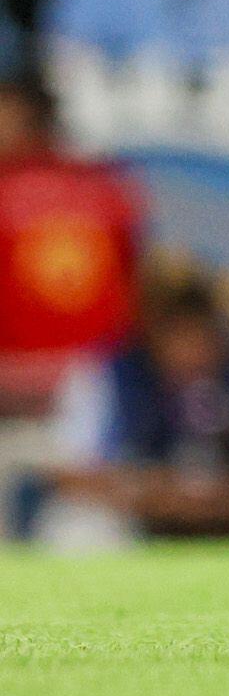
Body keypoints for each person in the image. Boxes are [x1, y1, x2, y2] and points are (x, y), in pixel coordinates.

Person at [35, 261, 229, 546]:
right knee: (77, 532)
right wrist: (149, 494)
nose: (190, 347)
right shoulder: (108, 375)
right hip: (137, 521)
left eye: (200, 329)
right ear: (150, 331)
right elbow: (68, 473)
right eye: (177, 331)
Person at [0, 66, 141, 537]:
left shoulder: (104, 189)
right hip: (59, 392)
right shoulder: (110, 188)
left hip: (83, 397)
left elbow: (126, 293)